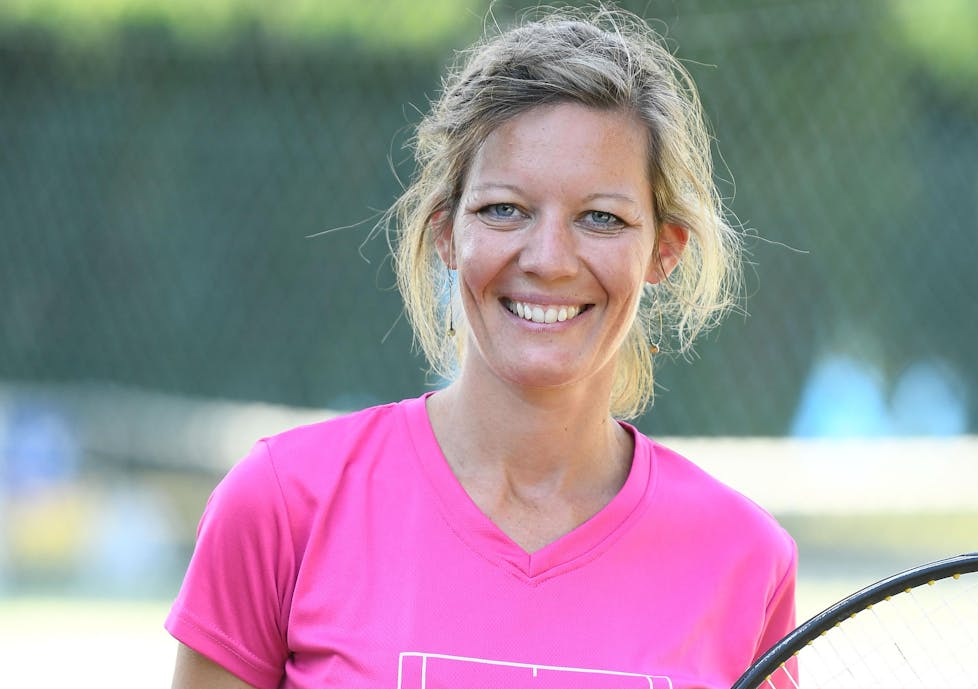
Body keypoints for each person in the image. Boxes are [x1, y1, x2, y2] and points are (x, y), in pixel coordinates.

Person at [167, 7, 797, 689]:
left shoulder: (745, 558)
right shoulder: (282, 504)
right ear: (446, 232)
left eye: (602, 218)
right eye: (504, 209)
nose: (550, 258)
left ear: (662, 252)